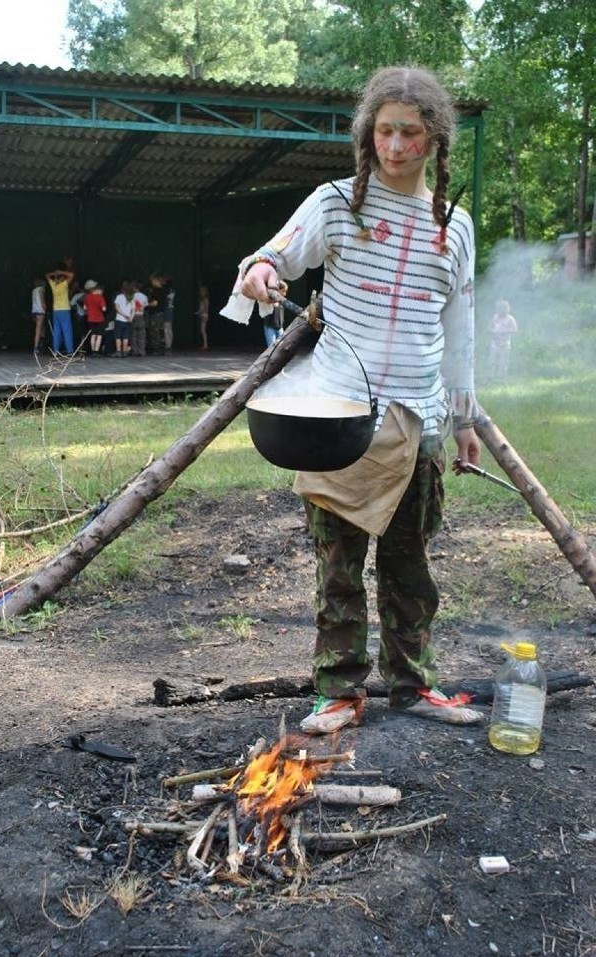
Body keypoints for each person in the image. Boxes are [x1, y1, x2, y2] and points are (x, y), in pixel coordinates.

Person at [222, 65, 484, 735]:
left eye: (411, 134)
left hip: (419, 415)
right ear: (369, 133)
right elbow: (276, 257)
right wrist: (259, 272)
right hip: (336, 416)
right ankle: (338, 690)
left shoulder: (454, 226)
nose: (395, 148)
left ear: (435, 141)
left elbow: (460, 324)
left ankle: (412, 683)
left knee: (409, 562)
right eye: (385, 131)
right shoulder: (337, 202)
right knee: (338, 564)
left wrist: (464, 416)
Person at [45, 260, 75, 356]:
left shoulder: (54, 285)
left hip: (56, 310)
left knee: (57, 331)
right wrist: (61, 272)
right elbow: (71, 275)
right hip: (64, 309)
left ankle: (55, 351)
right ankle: (70, 351)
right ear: (63, 279)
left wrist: (54, 273)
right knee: (67, 330)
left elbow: (47, 276)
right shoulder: (63, 285)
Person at [488, 300, 518, 381]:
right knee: (492, 360)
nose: (501, 311)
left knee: (503, 362)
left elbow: (515, 330)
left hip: (505, 344)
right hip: (494, 342)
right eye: (499, 308)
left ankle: (503, 378)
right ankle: (491, 377)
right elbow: (489, 327)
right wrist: (492, 331)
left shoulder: (510, 319)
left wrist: (505, 331)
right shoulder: (495, 317)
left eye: (503, 308)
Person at [84, 280, 107, 356]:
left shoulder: (87, 297)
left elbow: (85, 308)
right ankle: (97, 351)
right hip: (99, 319)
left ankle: (92, 350)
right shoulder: (100, 298)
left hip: (90, 319)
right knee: (99, 335)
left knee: (93, 335)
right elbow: (104, 309)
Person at [113, 281, 136, 356]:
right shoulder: (132, 297)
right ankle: (125, 351)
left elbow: (117, 308)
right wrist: (131, 318)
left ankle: (118, 351)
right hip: (128, 321)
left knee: (118, 336)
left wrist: (124, 315)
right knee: (126, 336)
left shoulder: (119, 297)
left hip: (119, 319)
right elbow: (133, 310)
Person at [131, 280, 149, 357]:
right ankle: (142, 351)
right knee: (141, 335)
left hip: (133, 316)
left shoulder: (131, 296)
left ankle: (134, 351)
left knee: (133, 334)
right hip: (141, 316)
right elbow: (145, 305)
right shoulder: (144, 296)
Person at [30, 278, 47, 355]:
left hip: (34, 311)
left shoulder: (34, 290)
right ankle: (36, 348)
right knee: (39, 329)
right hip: (40, 311)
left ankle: (41, 346)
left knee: (41, 328)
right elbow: (42, 301)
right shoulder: (41, 289)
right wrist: (45, 307)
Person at [196, 285, 209, 350]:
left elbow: (205, 308)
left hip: (204, 315)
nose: (201, 292)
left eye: (202, 291)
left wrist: (199, 312)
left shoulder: (205, 299)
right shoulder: (203, 299)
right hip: (203, 315)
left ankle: (205, 345)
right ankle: (205, 344)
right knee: (202, 330)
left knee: (203, 330)